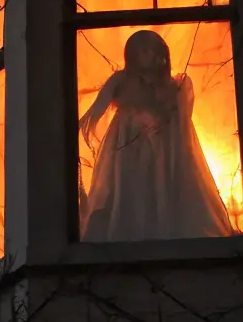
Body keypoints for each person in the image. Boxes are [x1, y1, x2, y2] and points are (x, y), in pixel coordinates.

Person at [79, 29, 233, 242]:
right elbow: (92, 115)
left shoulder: (174, 86)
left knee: (162, 189)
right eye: (144, 51)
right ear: (133, 55)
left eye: (153, 51)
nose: (150, 56)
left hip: (164, 150)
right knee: (132, 189)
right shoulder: (122, 81)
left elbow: (183, 126)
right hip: (129, 150)